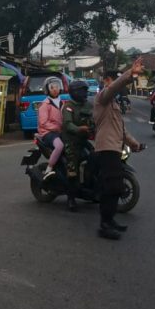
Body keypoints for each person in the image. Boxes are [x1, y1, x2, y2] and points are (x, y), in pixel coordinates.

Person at [93, 58, 145, 240]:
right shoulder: (102, 99)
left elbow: (121, 130)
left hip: (115, 149)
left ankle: (110, 220)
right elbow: (114, 87)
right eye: (112, 79)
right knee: (112, 187)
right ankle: (104, 225)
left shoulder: (114, 105)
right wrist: (130, 73)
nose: (114, 82)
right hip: (106, 149)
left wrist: (135, 144)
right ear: (106, 81)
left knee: (115, 187)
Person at [60, 79, 93, 212]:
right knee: (72, 168)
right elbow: (68, 125)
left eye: (86, 91)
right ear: (75, 92)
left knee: (95, 156)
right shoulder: (68, 106)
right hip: (71, 141)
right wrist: (80, 129)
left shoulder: (88, 105)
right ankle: (71, 198)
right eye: (82, 91)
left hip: (83, 140)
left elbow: (94, 118)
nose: (85, 93)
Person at [36, 76, 65, 180]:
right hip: (48, 133)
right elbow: (43, 123)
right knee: (59, 146)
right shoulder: (45, 104)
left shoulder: (62, 103)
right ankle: (49, 167)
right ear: (47, 89)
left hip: (59, 131)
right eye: (52, 87)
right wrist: (57, 127)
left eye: (56, 87)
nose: (55, 89)